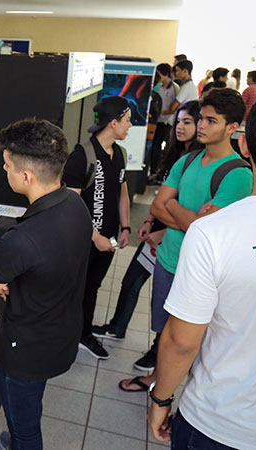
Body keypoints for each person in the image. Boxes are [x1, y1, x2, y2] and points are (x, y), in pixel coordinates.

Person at [147, 90, 256, 449]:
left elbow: (182, 340)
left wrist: (161, 400)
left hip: (220, 421)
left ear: (245, 144)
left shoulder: (215, 232)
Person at [0, 119, 92, 450]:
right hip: (61, 331)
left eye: (7, 165)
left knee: (24, 426)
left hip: (25, 349)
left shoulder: (21, 239)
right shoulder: (75, 204)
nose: (4, 169)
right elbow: (55, 262)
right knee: (29, 405)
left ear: (26, 176)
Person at [118, 88, 253, 391]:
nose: (202, 126)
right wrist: (188, 218)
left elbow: (203, 229)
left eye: (211, 121)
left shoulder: (238, 175)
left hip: (201, 274)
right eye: (201, 119)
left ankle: (180, 395)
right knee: (165, 332)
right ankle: (157, 379)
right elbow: (157, 207)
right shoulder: (188, 160)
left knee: (192, 341)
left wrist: (175, 209)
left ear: (232, 128)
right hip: (168, 260)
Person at [92, 101, 201, 356]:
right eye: (179, 122)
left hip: (174, 239)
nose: (180, 128)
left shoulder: (199, 163)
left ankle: (157, 351)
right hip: (156, 231)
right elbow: (162, 200)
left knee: (166, 298)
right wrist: (151, 221)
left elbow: (194, 217)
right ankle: (117, 327)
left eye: (188, 122)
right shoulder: (175, 155)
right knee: (131, 282)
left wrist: (163, 230)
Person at [62, 96, 132, 360]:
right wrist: (95, 237)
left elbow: (122, 193)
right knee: (75, 287)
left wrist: (125, 227)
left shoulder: (119, 154)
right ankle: (71, 334)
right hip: (84, 240)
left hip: (108, 239)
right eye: (126, 120)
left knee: (92, 287)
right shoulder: (82, 156)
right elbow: (72, 204)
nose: (130, 125)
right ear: (113, 123)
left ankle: (83, 332)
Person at [149, 63, 179, 179]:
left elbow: (174, 108)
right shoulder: (158, 87)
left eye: (159, 74)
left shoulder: (175, 88)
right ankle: (154, 169)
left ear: (166, 74)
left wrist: (161, 113)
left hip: (168, 122)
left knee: (162, 146)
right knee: (155, 146)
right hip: (157, 121)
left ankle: (159, 170)